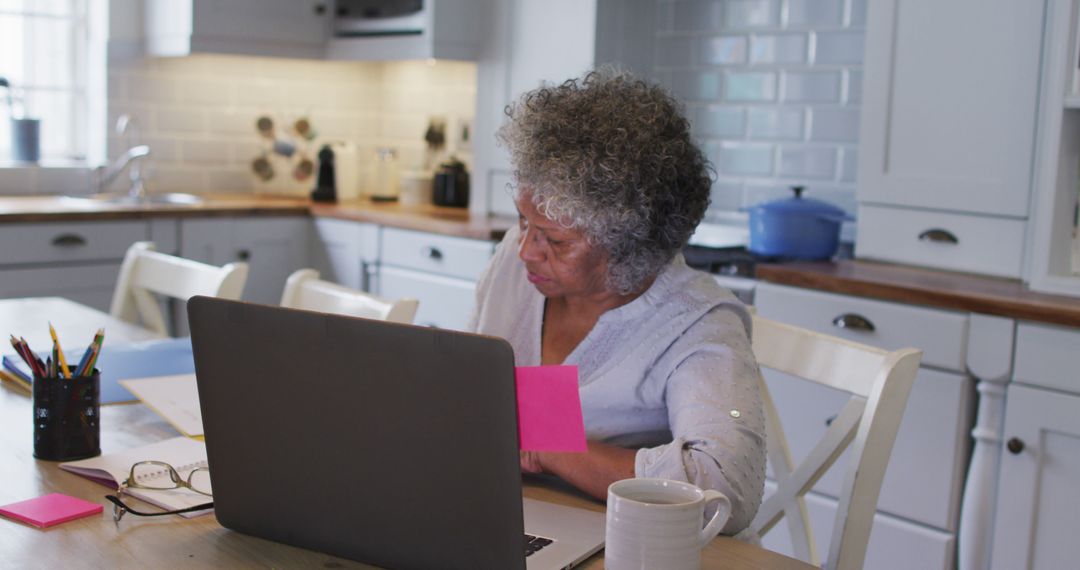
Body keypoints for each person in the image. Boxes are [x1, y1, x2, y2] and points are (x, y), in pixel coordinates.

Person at [469, 68, 765, 536]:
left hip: (631, 546)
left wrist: (552, 446)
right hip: (506, 517)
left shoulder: (698, 324)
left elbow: (724, 490)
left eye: (555, 241)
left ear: (629, 249)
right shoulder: (517, 261)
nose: (525, 249)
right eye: (523, 221)